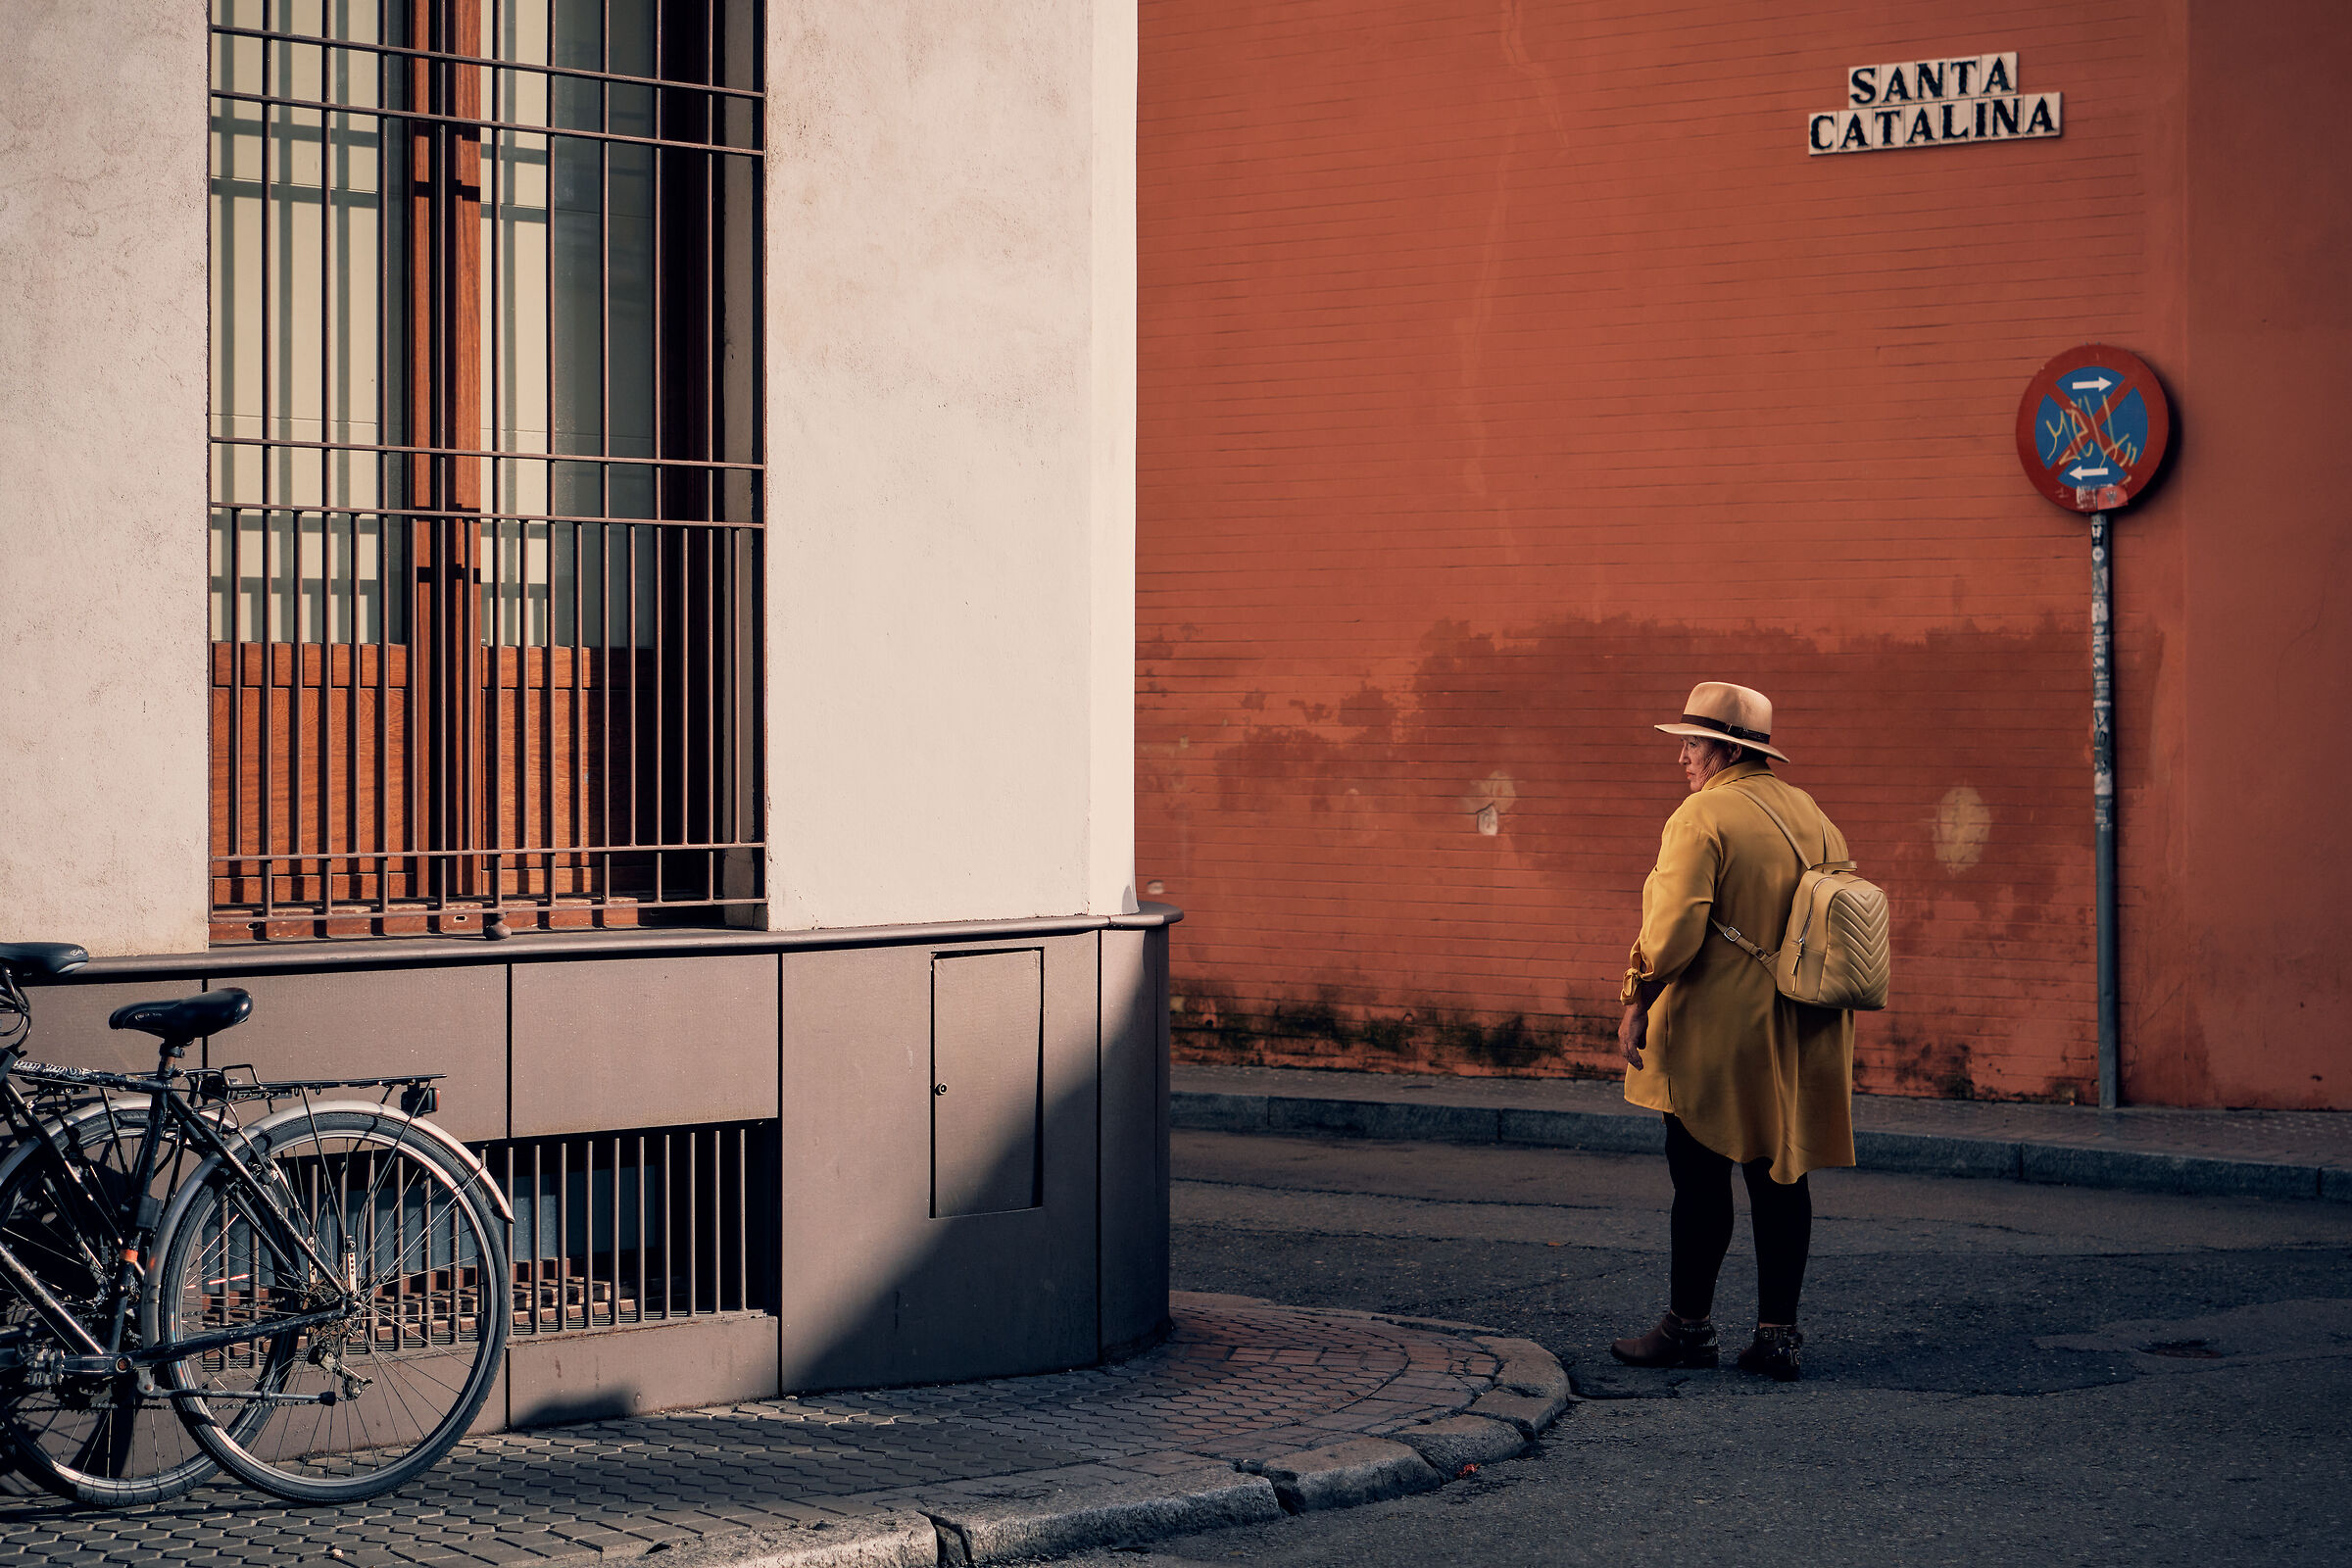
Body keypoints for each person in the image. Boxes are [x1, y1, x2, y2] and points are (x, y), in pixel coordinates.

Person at [1609, 681, 1856, 1381]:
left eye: (1691, 744)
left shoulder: (1701, 816)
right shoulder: (1810, 813)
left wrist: (1637, 996)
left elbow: (1674, 931)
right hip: (1801, 1024)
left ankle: (1688, 1328)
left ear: (1722, 750)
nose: (1682, 757)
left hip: (1718, 1028)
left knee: (1699, 1178)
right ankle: (1778, 1338)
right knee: (1781, 1176)